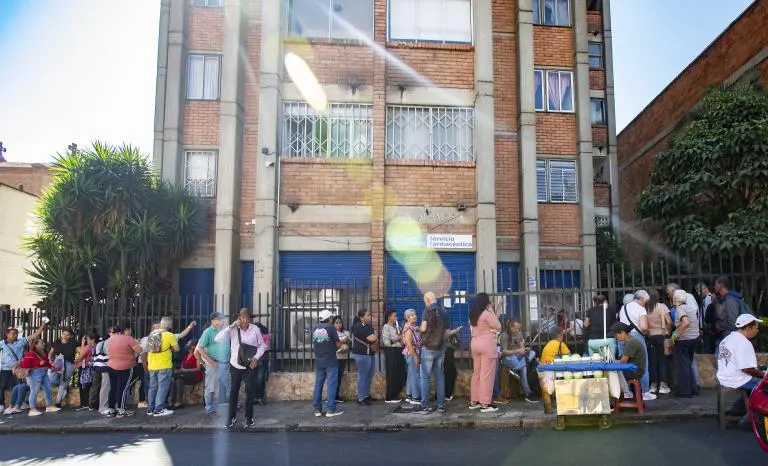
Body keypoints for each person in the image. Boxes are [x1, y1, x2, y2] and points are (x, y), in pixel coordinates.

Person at [215, 308, 269, 428]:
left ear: (250, 318)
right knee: (233, 392)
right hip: (235, 365)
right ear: (238, 318)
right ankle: (231, 417)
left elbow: (262, 345)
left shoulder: (255, 329)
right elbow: (218, 339)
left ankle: (249, 418)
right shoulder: (233, 329)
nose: (244, 320)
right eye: (242, 317)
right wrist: (231, 326)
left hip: (250, 365)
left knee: (250, 393)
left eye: (246, 317)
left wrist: (256, 357)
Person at [717, 314, 765, 424]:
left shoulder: (727, 339)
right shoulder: (744, 342)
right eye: (756, 328)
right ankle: (749, 418)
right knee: (763, 385)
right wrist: (763, 374)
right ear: (748, 328)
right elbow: (746, 369)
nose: (757, 331)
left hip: (724, 377)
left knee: (754, 385)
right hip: (737, 379)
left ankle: (736, 410)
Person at [415, 292, 457, 415]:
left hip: (427, 348)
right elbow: (447, 333)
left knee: (425, 377)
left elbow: (423, 328)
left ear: (428, 300)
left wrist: (417, 328)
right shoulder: (444, 312)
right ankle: (441, 405)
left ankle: (425, 405)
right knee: (440, 376)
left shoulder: (426, 311)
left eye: (425, 301)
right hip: (440, 348)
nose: (425, 303)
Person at [0, 321, 46, 413]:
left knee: (17, 387)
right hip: (5, 369)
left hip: (17, 370)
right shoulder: (2, 343)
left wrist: (43, 325)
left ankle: (17, 404)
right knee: (1, 387)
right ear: (7, 334)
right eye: (13, 334)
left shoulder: (20, 342)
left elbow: (34, 336)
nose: (15, 335)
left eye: (16, 334)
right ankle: (1, 404)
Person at [469, 293, 502, 413]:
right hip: (487, 345)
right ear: (486, 302)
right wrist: (491, 310)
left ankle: (475, 401)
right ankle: (485, 403)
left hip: (474, 344)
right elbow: (498, 326)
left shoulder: (473, 314)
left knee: (476, 372)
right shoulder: (487, 314)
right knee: (486, 374)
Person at [195, 312, 232, 414]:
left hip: (225, 363)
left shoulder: (224, 331)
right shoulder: (208, 332)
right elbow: (199, 349)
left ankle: (234, 403)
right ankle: (209, 407)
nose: (221, 321)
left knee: (229, 385)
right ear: (213, 321)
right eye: (219, 319)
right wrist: (209, 361)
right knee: (210, 386)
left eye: (222, 319)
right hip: (214, 364)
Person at [493, 319, 538, 403]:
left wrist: (524, 350)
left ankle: (515, 369)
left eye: (519, 329)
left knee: (532, 352)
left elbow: (522, 346)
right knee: (523, 368)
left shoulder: (519, 333)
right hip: (508, 358)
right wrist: (517, 351)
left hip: (519, 356)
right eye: (516, 328)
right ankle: (528, 394)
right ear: (511, 327)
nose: (518, 330)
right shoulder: (504, 335)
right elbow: (504, 352)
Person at [619, 290, 652, 397]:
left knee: (625, 364)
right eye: (645, 301)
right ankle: (645, 392)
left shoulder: (623, 308)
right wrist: (647, 332)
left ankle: (627, 392)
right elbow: (643, 327)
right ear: (641, 299)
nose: (645, 304)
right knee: (643, 364)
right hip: (636, 337)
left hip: (623, 337)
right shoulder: (641, 309)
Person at [311, 309, 343, 417]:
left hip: (319, 361)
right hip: (331, 361)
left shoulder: (314, 328)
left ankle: (317, 410)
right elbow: (338, 344)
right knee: (331, 385)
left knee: (318, 385)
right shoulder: (331, 328)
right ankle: (330, 410)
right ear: (329, 318)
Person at [147, 317, 181, 417]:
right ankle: (158, 409)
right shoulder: (169, 335)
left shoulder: (151, 334)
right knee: (163, 387)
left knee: (152, 387)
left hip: (152, 365)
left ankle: (150, 409)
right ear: (169, 325)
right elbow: (177, 349)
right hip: (164, 365)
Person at [106, 323, 142, 417]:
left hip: (111, 365)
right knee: (123, 389)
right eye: (130, 330)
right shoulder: (128, 339)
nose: (131, 332)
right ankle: (121, 409)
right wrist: (137, 344)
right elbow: (139, 350)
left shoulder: (110, 339)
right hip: (125, 366)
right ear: (127, 330)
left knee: (113, 388)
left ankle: (111, 409)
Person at [670, 289, 699, 398]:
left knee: (683, 366)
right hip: (694, 338)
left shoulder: (680, 309)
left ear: (675, 299)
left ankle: (685, 391)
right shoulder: (690, 307)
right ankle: (693, 388)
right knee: (689, 364)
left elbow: (685, 323)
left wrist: (675, 335)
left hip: (684, 340)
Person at [19, 338, 60, 416]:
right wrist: (38, 363)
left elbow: (47, 363)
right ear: (35, 345)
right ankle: (32, 409)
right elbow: (24, 365)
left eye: (43, 342)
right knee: (34, 391)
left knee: (48, 389)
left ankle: (49, 406)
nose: (44, 344)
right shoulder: (31, 353)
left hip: (44, 373)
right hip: (34, 374)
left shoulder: (44, 353)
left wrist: (53, 368)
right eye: (41, 343)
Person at [609, 323, 649, 400]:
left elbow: (623, 361)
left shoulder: (631, 342)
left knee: (611, 373)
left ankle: (620, 395)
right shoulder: (630, 340)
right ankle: (624, 393)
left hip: (635, 372)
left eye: (616, 335)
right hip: (634, 369)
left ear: (623, 332)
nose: (615, 337)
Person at [645, 289, 672, 395]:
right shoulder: (662, 307)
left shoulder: (646, 309)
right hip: (661, 335)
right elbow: (669, 321)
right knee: (663, 361)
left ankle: (653, 384)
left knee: (652, 361)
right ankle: (663, 385)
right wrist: (667, 331)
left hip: (650, 337)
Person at [350, 308, 377, 406]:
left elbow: (373, 337)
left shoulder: (367, 325)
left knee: (369, 375)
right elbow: (372, 338)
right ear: (362, 318)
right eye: (368, 315)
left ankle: (366, 395)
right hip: (362, 354)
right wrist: (375, 336)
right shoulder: (359, 326)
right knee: (363, 376)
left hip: (369, 353)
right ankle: (361, 398)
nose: (370, 316)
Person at [714, 276, 749, 347]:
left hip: (728, 334)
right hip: (726, 333)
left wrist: (720, 327)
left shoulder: (730, 300)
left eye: (716, 284)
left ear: (721, 285)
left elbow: (733, 321)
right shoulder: (724, 299)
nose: (714, 287)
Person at [169, 339, 203, 409]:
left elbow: (198, 368)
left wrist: (186, 370)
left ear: (193, 346)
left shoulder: (196, 354)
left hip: (194, 376)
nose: (187, 345)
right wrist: (179, 371)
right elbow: (182, 367)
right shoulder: (186, 355)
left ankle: (178, 402)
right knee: (176, 380)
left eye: (189, 344)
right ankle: (173, 401)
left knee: (178, 380)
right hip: (185, 375)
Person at [48, 327, 77, 408]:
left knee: (63, 383)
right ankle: (59, 395)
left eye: (67, 335)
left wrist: (76, 363)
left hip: (68, 363)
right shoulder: (57, 342)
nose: (65, 336)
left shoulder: (73, 343)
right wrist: (50, 360)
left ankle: (58, 402)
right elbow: (51, 352)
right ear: (61, 334)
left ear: (71, 336)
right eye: (64, 334)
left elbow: (80, 352)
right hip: (58, 362)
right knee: (52, 380)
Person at [381, 309, 406, 404]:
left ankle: (395, 393)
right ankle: (389, 396)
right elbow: (387, 342)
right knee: (391, 374)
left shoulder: (395, 327)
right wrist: (398, 338)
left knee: (399, 374)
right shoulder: (386, 327)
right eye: (394, 316)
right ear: (389, 317)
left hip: (398, 351)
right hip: (391, 352)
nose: (396, 318)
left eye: (396, 316)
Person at [401, 309, 422, 405]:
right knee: (414, 375)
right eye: (412, 315)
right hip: (411, 353)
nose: (415, 316)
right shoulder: (409, 328)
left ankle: (409, 395)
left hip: (410, 353)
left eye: (415, 314)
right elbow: (409, 344)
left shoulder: (412, 327)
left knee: (411, 375)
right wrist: (415, 357)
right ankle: (415, 397)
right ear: (407, 318)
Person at [73, 331, 98, 411]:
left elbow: (80, 356)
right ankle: (92, 403)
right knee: (92, 386)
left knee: (83, 386)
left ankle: (84, 403)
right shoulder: (97, 346)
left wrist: (75, 361)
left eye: (87, 339)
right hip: (93, 367)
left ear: (92, 339)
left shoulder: (87, 347)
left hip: (85, 368)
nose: (87, 340)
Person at [91, 327, 114, 413]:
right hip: (107, 366)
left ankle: (104, 406)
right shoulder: (108, 342)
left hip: (104, 366)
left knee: (105, 386)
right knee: (106, 386)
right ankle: (103, 407)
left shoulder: (101, 343)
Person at [332, 316, 350, 404]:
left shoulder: (345, 332)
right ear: (333, 324)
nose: (339, 324)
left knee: (339, 377)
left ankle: (336, 395)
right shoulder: (332, 332)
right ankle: (333, 396)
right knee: (334, 377)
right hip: (335, 357)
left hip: (343, 357)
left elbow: (349, 342)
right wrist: (342, 341)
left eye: (340, 322)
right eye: (336, 323)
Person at [253, 322, 271, 405]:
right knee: (253, 380)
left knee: (260, 379)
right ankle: (255, 398)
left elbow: (267, 347)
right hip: (253, 360)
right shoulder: (252, 336)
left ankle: (260, 397)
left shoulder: (265, 336)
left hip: (263, 360)